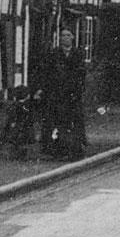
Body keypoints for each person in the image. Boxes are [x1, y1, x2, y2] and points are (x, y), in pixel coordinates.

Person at [41, 29, 88, 160]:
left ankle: (75, 149)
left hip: (73, 94)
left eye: (68, 35)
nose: (65, 38)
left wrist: (78, 89)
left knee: (74, 121)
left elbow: (81, 73)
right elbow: (47, 72)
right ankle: (56, 149)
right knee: (56, 121)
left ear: (72, 37)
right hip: (57, 94)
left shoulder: (78, 54)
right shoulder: (54, 54)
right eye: (62, 35)